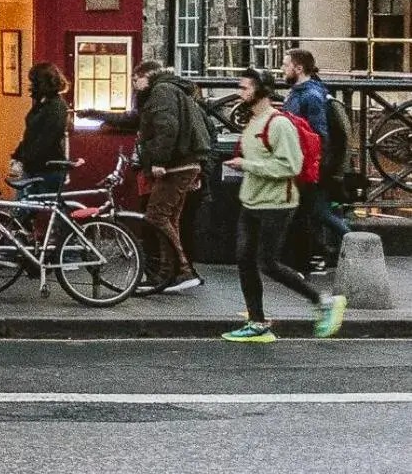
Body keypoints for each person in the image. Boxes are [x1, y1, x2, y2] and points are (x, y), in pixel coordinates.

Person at [221, 68, 346, 343]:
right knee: (244, 260)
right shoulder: (252, 122)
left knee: (268, 263)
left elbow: (291, 165)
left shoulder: (278, 124)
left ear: (261, 91)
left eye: (245, 88)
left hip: (277, 203)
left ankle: (323, 301)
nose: (239, 93)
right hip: (251, 201)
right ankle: (257, 322)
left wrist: (247, 165)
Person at [131, 62, 210, 294]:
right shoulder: (170, 90)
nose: (135, 86)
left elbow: (167, 127)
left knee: (156, 216)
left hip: (177, 164)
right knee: (169, 218)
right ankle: (170, 274)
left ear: (145, 76)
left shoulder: (161, 91)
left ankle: (183, 270)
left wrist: (159, 161)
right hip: (185, 162)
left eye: (136, 80)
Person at [282, 48, 351, 273]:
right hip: (306, 163)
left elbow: (318, 135)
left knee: (319, 212)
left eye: (285, 65)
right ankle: (324, 253)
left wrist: (316, 166)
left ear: (298, 68)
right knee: (313, 212)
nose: (282, 69)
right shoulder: (300, 92)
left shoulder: (310, 96)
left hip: (311, 165)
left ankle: (354, 245)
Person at [11, 63, 71, 198]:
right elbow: (31, 134)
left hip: (47, 169)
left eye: (33, 82)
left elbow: (46, 139)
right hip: (36, 167)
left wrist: (25, 157)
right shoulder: (43, 103)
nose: (31, 86)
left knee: (25, 209)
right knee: (24, 209)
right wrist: (18, 155)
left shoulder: (56, 107)